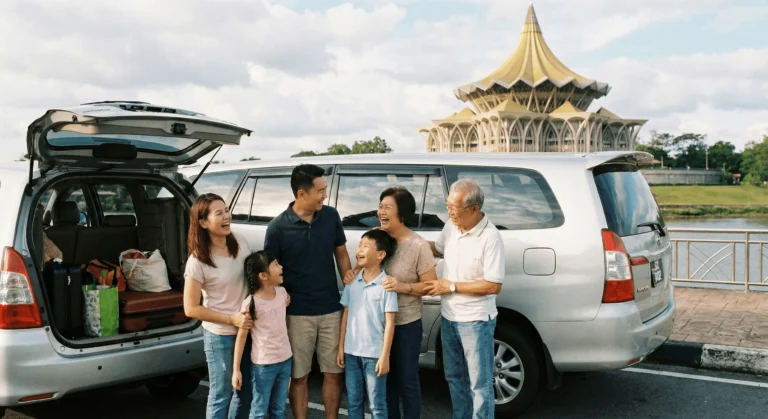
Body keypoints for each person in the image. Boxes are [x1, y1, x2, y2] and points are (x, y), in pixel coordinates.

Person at [264, 164, 353, 419]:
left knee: (333, 373)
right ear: (302, 194)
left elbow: (342, 254)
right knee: (299, 375)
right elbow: (271, 273)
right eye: (321, 190)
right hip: (297, 315)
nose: (325, 195)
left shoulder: (331, 216)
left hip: (331, 310)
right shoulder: (278, 228)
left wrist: (350, 290)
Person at [343, 187, 437, 419]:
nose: (381, 212)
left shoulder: (418, 245)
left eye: (388, 208)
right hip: (376, 326)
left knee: (407, 380)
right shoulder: (376, 235)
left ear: (402, 214)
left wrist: (403, 287)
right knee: (386, 382)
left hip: (405, 324)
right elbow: (359, 267)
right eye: (380, 206)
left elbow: (431, 286)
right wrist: (350, 274)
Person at [424, 179, 505, 419]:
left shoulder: (490, 238)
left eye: (454, 207)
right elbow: (438, 249)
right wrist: (405, 239)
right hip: (449, 318)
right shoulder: (452, 225)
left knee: (479, 386)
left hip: (475, 321)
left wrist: (450, 285)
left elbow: (493, 285)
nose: (449, 212)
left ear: (474, 209)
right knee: (454, 378)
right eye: (447, 205)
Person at [183, 193, 254, 419]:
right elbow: (191, 308)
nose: (227, 217)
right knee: (222, 393)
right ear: (203, 223)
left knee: (245, 391)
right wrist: (231, 319)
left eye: (226, 210)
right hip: (220, 336)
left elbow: (254, 281)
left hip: (247, 331)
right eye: (219, 213)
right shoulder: (197, 261)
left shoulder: (240, 242)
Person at [337, 229, 398, 419]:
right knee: (353, 402)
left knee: (377, 405)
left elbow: (390, 323)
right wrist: (341, 348)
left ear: (381, 254)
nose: (359, 249)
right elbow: (345, 315)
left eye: (365, 246)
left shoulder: (386, 285)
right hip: (351, 352)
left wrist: (385, 355)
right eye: (359, 245)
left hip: (374, 355)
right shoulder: (352, 282)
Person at [232, 251, 292, 419]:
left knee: (279, 410)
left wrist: (287, 298)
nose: (281, 267)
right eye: (276, 265)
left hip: (285, 359)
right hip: (263, 365)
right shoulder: (251, 303)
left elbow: (284, 305)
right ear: (263, 275)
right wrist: (236, 370)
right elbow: (241, 337)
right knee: (259, 411)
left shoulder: (282, 293)